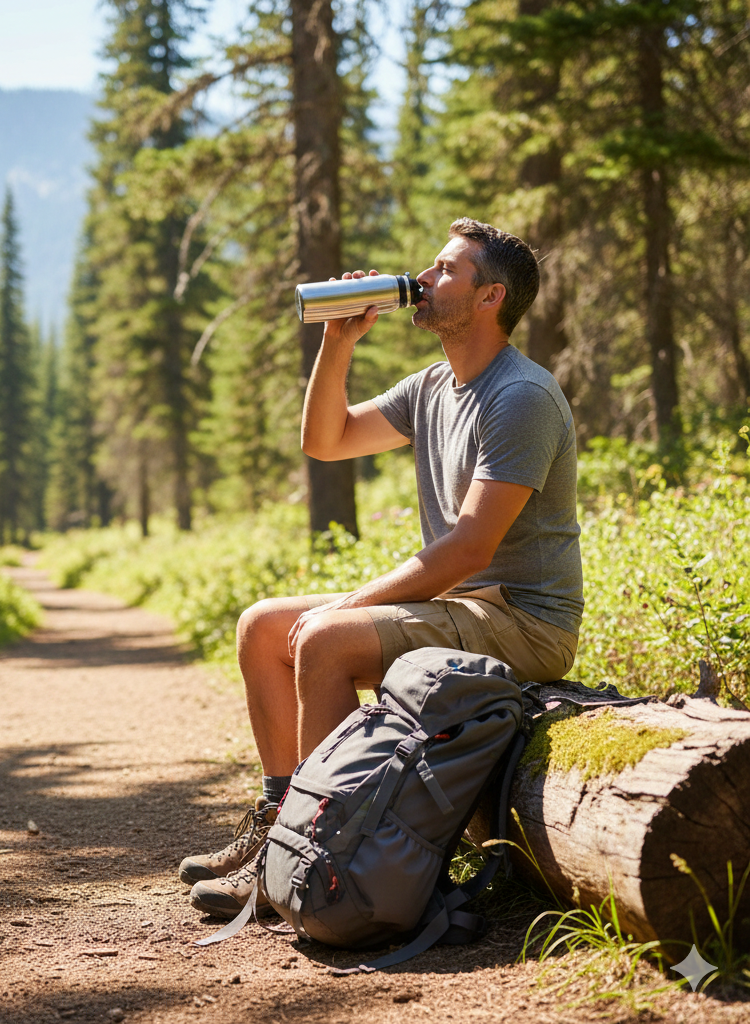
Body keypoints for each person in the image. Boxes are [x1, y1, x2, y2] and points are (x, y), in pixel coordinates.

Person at [180, 218, 584, 918]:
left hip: (523, 619)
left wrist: (346, 609)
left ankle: (315, 863)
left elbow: (469, 549)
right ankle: (282, 822)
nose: (422, 278)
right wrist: (338, 341)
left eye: (444, 269)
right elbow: (325, 440)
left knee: (324, 639)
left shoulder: (520, 396)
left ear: (489, 298)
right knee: (262, 628)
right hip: (465, 604)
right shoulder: (433, 386)